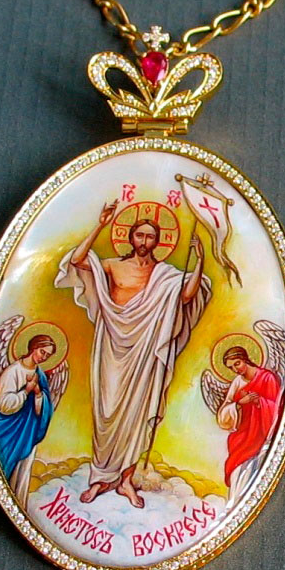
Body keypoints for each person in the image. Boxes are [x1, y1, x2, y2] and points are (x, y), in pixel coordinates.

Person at [58, 199, 209, 508]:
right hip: (112, 344)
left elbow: (187, 294)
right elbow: (77, 260)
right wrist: (100, 224)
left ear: (158, 241)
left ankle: (126, 480)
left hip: (145, 348)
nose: (144, 241)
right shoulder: (113, 265)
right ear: (131, 238)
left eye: (150, 236)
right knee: (106, 411)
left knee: (137, 413)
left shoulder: (165, 274)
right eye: (139, 235)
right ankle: (100, 479)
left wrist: (200, 261)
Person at [0, 334, 58, 504]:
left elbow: (45, 407)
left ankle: (17, 504)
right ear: (33, 348)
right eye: (42, 352)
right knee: (3, 467)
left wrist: (37, 392)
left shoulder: (40, 376)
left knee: (22, 472)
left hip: (28, 432)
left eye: (47, 355)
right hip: (8, 431)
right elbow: (4, 405)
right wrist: (26, 390)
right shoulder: (12, 372)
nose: (43, 357)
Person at [215, 345, 282, 501]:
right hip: (241, 438)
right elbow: (223, 414)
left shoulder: (267, 378)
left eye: (237, 363)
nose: (235, 369)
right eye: (231, 367)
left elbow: (277, 409)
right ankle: (236, 504)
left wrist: (259, 402)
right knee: (237, 474)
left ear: (245, 359)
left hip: (261, 436)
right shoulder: (237, 382)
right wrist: (240, 404)